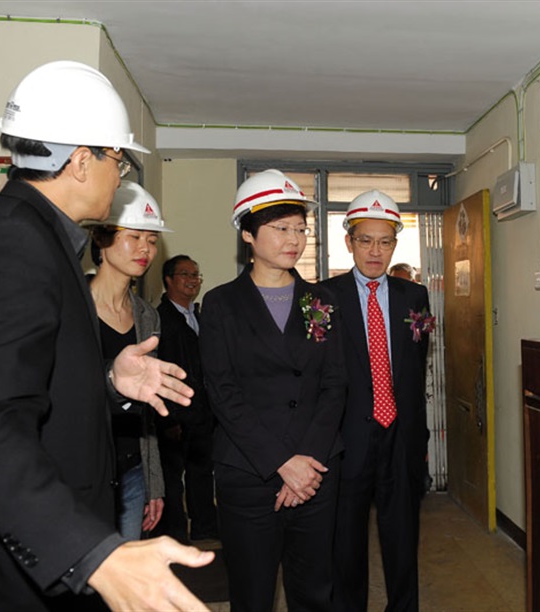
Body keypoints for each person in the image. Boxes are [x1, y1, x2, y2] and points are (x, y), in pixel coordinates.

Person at [0, 60, 212, 611]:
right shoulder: (11, 245)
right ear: (82, 161)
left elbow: (34, 384)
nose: (122, 177)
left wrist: (109, 382)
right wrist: (92, 553)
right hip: (14, 568)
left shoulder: (34, 239)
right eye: (120, 161)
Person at [199, 169, 347, 611]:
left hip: (317, 470)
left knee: (314, 590)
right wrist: (281, 463)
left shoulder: (321, 300)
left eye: (301, 228)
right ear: (247, 233)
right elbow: (223, 392)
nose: (294, 239)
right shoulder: (222, 304)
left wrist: (306, 465)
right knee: (253, 593)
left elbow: (335, 383)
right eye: (281, 228)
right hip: (249, 471)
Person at [321, 190, 433, 612]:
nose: (375, 251)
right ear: (349, 242)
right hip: (347, 437)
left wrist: (416, 433)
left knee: (403, 535)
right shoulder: (324, 297)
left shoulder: (413, 297)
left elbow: (415, 365)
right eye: (365, 240)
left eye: (385, 241)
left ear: (394, 245)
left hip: (400, 435)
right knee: (346, 540)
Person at [88, 181, 172, 539]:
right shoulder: (72, 305)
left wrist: (154, 483)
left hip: (133, 471)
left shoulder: (147, 316)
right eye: (134, 236)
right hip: (84, 471)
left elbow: (146, 409)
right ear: (101, 239)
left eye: (152, 240)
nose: (145, 249)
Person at [155, 254, 219, 543]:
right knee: (172, 479)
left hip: (202, 411)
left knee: (202, 472)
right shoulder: (159, 319)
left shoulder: (200, 316)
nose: (193, 280)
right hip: (174, 414)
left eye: (196, 274)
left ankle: (205, 526)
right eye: (185, 274)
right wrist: (167, 417)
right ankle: (175, 533)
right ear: (168, 280)